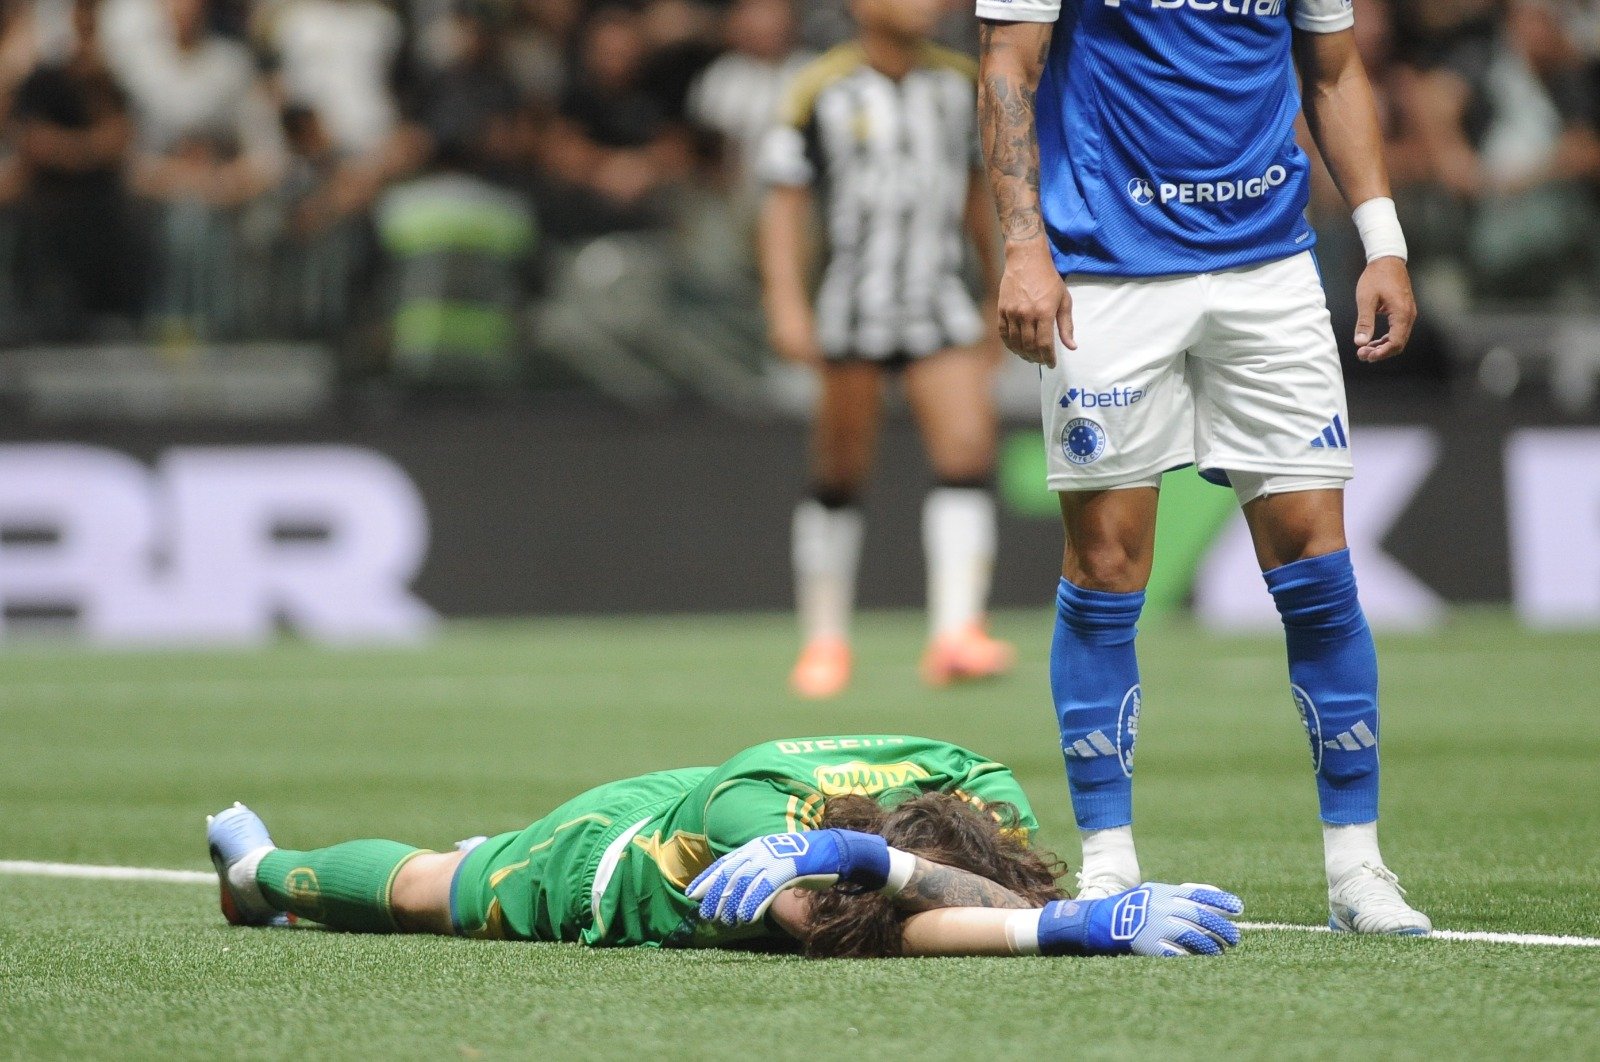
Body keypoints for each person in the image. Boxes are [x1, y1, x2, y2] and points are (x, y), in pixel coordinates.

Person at [975, 0, 1432, 933]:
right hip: (1105, 268)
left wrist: (1383, 242)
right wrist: (1024, 244)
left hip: (1267, 269)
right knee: (1107, 565)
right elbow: (1005, 67)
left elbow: (1335, 69)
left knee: (1317, 561)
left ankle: (1358, 868)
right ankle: (1108, 863)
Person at [207, 734, 1244, 958]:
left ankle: (270, 878)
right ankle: (261, 875)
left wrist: (890, 866)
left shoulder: (975, 784)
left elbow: (978, 885)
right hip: (619, 857)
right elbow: (867, 936)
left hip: (751, 815)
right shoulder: (762, 823)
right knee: (439, 884)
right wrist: (1063, 931)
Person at [760, 0, 1014, 699]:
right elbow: (783, 204)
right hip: (853, 300)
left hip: (940, 297)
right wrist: (786, 302)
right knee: (840, 470)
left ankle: (958, 632)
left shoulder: (961, 83)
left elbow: (978, 196)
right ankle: (823, 640)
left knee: (966, 451)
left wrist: (999, 284)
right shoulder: (819, 87)